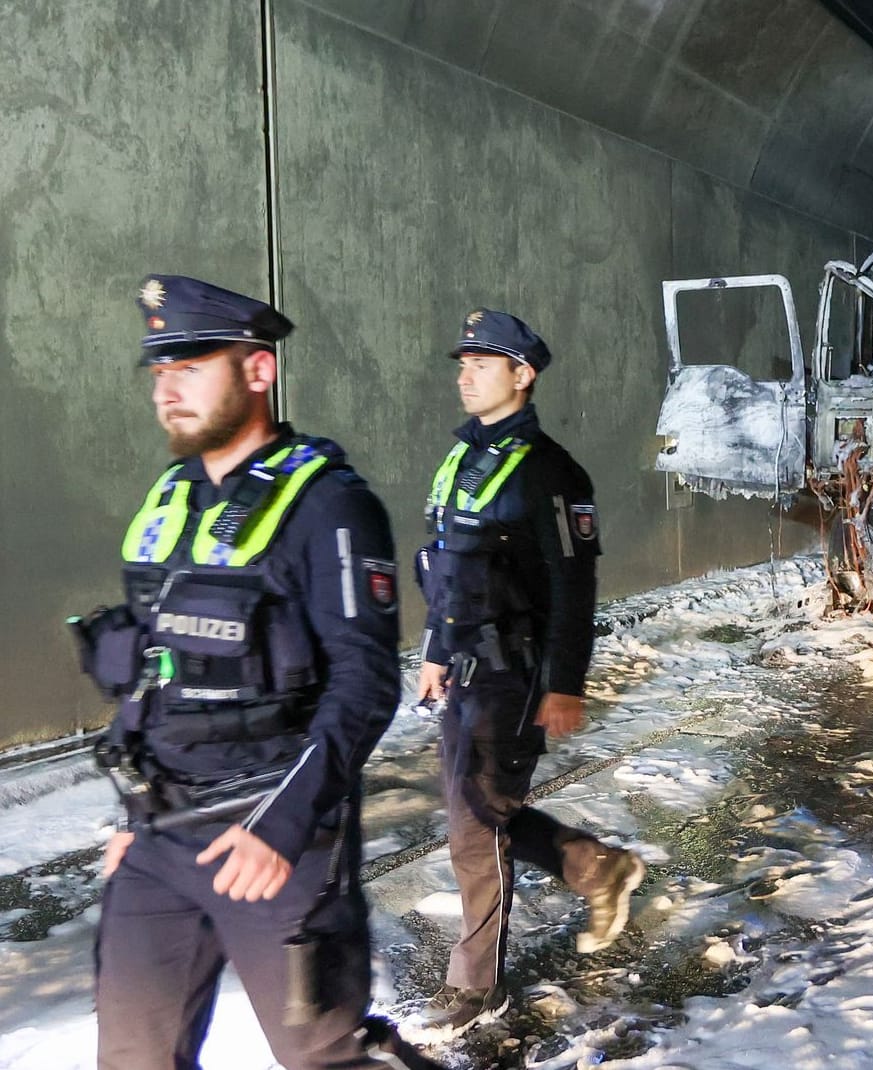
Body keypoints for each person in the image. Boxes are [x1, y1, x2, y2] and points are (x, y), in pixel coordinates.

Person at [74, 276, 438, 1069]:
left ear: (257, 372)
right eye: (159, 372)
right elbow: (151, 668)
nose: (168, 388)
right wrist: (128, 820)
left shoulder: (330, 506)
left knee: (323, 1056)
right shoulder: (170, 499)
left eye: (191, 365)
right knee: (133, 1055)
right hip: (157, 839)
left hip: (271, 833)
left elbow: (365, 682)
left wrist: (282, 826)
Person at [411, 308, 645, 1038]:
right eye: (463, 362)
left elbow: (574, 590)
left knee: (473, 829)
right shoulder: (460, 459)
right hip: (465, 668)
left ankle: (475, 986)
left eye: (483, 363)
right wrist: (433, 651)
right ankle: (593, 867)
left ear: (523, 374)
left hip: (514, 675)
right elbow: (447, 570)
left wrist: (564, 684)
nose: (466, 373)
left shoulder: (551, 472)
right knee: (482, 811)